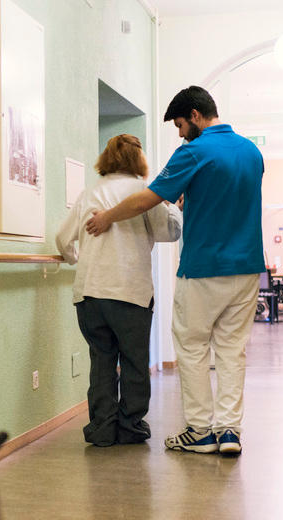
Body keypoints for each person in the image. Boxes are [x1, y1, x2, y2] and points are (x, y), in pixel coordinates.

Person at [84, 86, 265, 456]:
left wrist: (106, 217)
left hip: (203, 268)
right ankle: (229, 431)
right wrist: (191, 199)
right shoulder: (252, 152)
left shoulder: (193, 151)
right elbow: (225, 199)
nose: (180, 133)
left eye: (181, 124)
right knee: (232, 350)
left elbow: (146, 199)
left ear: (196, 115)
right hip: (247, 268)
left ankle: (200, 430)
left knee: (193, 346)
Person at [57, 134, 182, 447]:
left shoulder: (89, 193)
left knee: (101, 361)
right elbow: (170, 232)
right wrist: (175, 206)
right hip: (130, 293)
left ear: (107, 159)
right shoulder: (144, 192)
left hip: (89, 293)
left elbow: (62, 238)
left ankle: (101, 429)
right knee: (134, 362)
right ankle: (130, 426)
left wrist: (77, 259)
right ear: (138, 161)